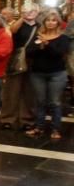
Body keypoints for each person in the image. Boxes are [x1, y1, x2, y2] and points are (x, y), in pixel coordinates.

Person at [25, 9, 70, 140]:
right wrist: (40, 46)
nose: (50, 23)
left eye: (53, 20)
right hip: (38, 73)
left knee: (55, 102)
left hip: (57, 73)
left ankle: (56, 129)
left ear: (58, 23)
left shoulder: (63, 38)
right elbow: (29, 53)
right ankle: (39, 127)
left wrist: (47, 44)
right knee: (40, 101)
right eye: (48, 20)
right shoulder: (38, 35)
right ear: (44, 22)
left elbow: (59, 53)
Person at [0, 2, 39, 130]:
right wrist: (23, 17)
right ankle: (8, 118)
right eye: (27, 10)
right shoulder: (18, 25)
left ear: (37, 12)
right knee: (11, 91)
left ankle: (27, 119)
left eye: (33, 10)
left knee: (29, 93)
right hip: (17, 61)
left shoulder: (40, 26)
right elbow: (11, 31)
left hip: (33, 62)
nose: (30, 13)